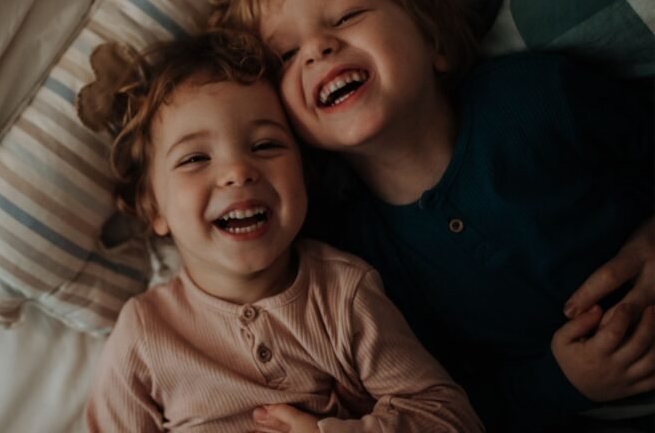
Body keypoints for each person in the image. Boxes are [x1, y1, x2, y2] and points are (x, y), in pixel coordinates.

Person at [208, 0, 655, 431]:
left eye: (347, 16)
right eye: (287, 56)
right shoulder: (357, 264)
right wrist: (562, 382)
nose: (317, 48)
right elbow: (449, 402)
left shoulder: (537, 96)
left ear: (434, 40)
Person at [77, 31, 483, 432]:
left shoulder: (343, 294)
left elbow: (451, 418)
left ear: (304, 174)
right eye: (195, 158)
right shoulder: (145, 334)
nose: (238, 172)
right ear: (153, 207)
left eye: (265, 145)